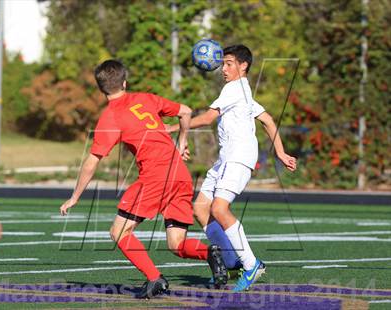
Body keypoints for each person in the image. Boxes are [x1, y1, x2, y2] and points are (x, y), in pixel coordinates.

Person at [59, 60, 227, 299]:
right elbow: (186, 111)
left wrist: (74, 197)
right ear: (125, 82)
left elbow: (92, 161)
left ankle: (155, 278)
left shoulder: (110, 117)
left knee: (119, 231)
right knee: (176, 244)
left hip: (155, 177)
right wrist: (182, 141)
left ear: (101, 89)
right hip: (179, 174)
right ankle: (210, 252)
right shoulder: (145, 98)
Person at [168, 44, 297, 292]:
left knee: (219, 208)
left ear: (243, 65)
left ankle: (251, 264)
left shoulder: (234, 89)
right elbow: (268, 121)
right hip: (226, 160)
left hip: (238, 158)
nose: (223, 69)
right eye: (223, 64)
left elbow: (207, 118)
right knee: (201, 208)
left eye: (228, 63)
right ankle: (230, 261)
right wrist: (279, 152)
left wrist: (175, 129)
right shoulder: (244, 91)